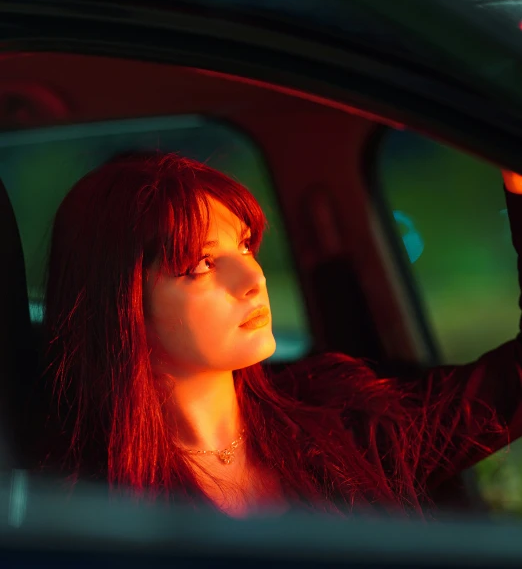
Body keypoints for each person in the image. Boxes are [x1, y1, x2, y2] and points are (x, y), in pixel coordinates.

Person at [39, 152, 522, 517]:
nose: (253, 279)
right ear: (121, 303)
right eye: (204, 264)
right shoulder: (80, 502)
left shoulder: (344, 418)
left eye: (245, 245)